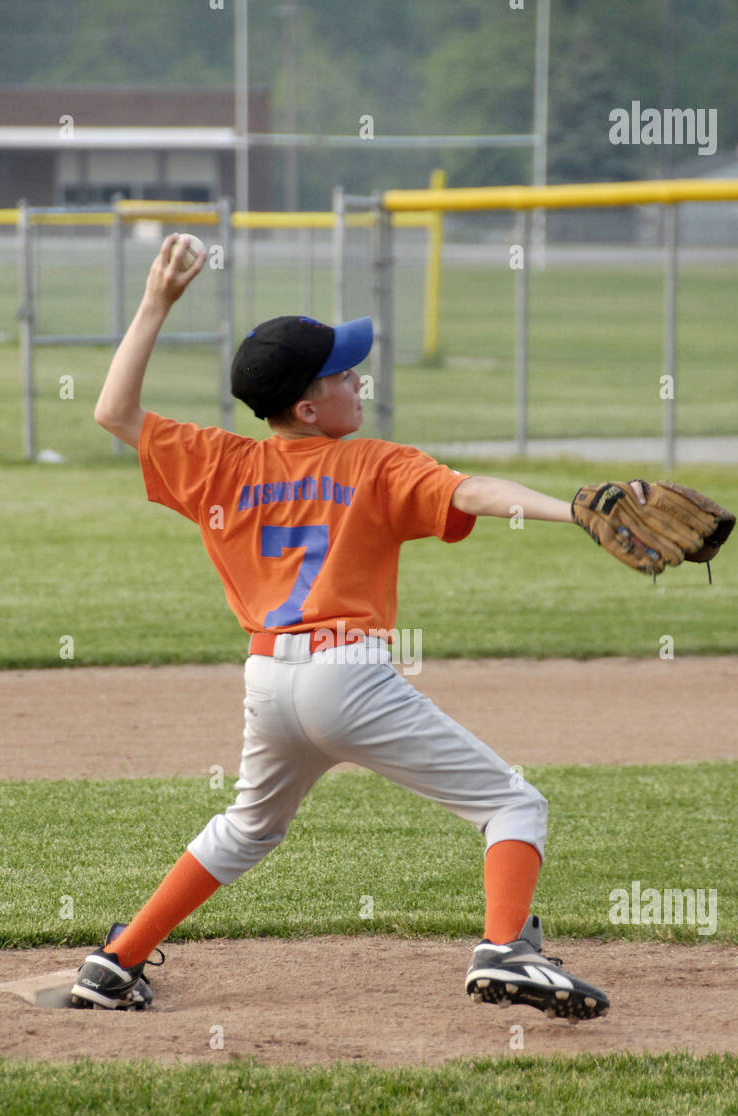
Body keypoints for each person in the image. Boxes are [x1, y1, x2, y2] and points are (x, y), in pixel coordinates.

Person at [70, 232, 610, 1022]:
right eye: (342, 371)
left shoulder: (220, 462)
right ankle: (505, 950)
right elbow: (473, 494)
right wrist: (570, 511)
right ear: (307, 407)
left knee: (247, 828)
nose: (359, 377)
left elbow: (111, 411)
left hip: (268, 681)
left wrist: (156, 303)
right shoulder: (374, 464)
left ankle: (114, 963)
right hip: (347, 677)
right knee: (513, 806)